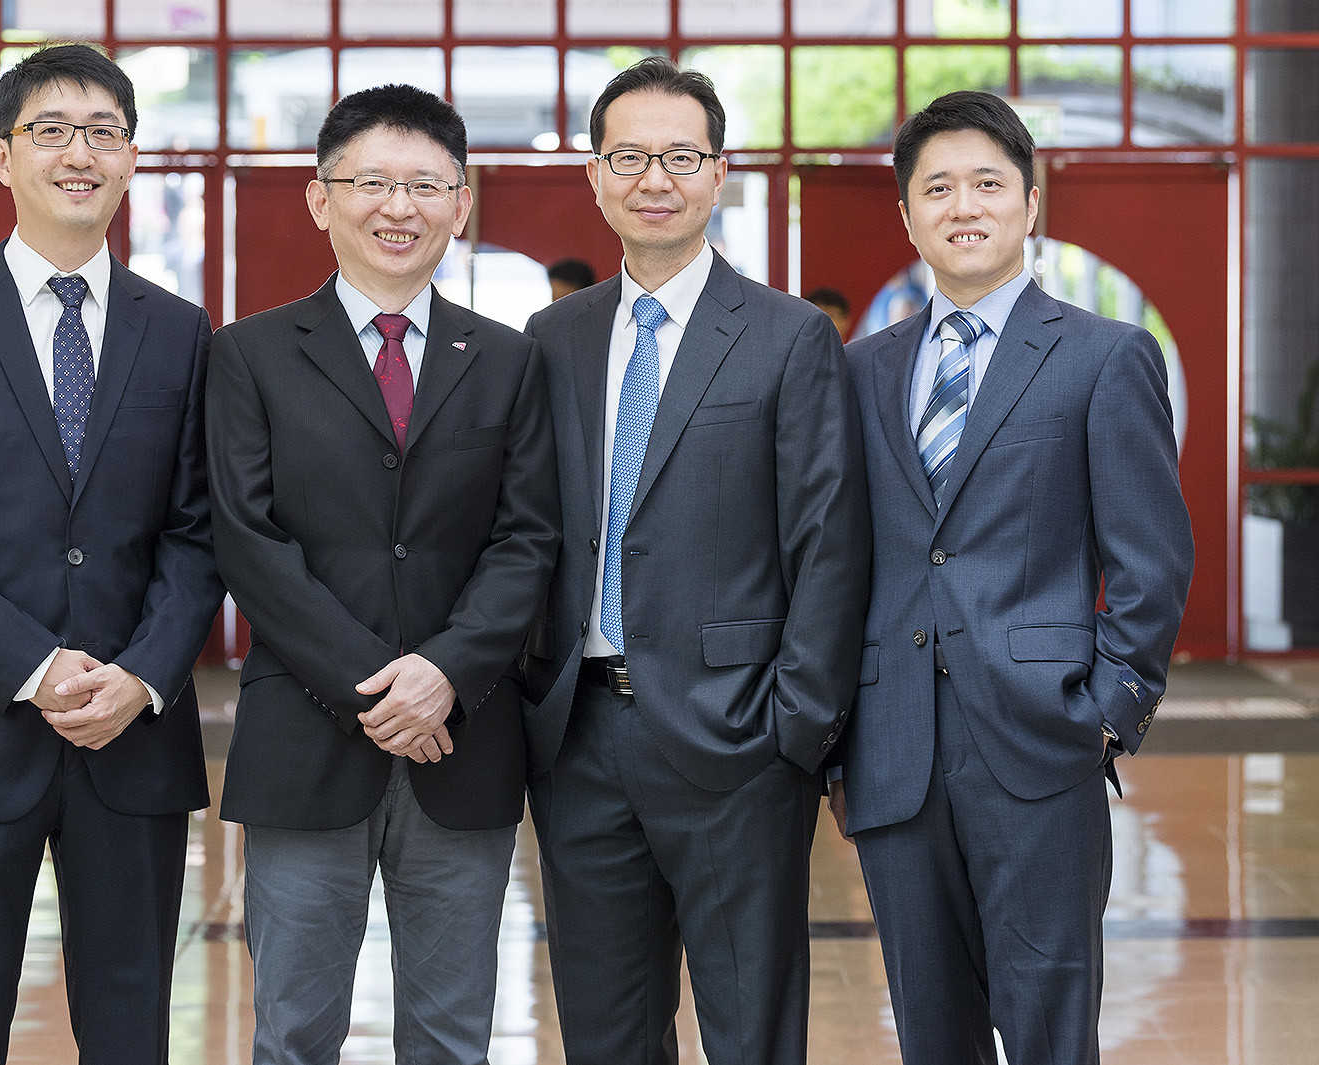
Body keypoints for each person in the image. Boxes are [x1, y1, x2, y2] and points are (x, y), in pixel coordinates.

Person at [0, 43, 223, 1065]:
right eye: (51, 131)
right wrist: (34, 667)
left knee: (132, 1029)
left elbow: (198, 532)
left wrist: (142, 678)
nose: (81, 153)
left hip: (134, 737)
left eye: (104, 132)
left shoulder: (181, 331)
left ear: (131, 160)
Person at [831, 90, 1193, 1065]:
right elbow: (841, 559)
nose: (964, 206)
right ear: (906, 215)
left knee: (1047, 1034)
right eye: (936, 188)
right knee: (928, 1036)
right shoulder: (860, 371)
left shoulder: (1102, 356)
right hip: (893, 753)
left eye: (987, 183)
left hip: (1040, 748)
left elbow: (1150, 561)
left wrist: (1106, 711)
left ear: (1030, 203)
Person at [522, 57, 871, 1065]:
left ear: (720, 174)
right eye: (628, 156)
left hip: (738, 743)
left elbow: (827, 543)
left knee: (748, 1028)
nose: (654, 178)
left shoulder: (787, 337)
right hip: (578, 739)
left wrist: (794, 730)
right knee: (603, 1030)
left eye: (680, 156)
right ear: (594, 176)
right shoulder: (552, 338)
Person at [206, 84, 560, 1064]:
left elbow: (526, 539)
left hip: (464, 740)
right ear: (321, 200)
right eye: (370, 183)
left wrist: (444, 671)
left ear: (461, 200)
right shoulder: (249, 356)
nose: (395, 207)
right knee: (293, 1031)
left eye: (423, 185)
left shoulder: (506, 360)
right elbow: (247, 541)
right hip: (305, 744)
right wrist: (382, 685)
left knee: (452, 1036)